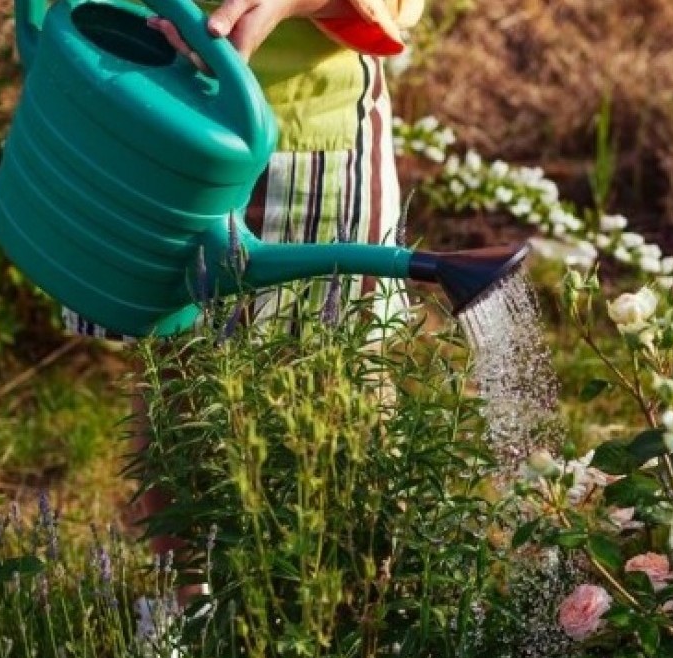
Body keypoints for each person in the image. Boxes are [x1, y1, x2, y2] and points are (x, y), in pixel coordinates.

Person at [58, 0, 425, 603]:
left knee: (341, 385)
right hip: (154, 117)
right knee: (179, 380)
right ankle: (187, 612)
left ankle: (348, 617)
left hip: (316, 138)